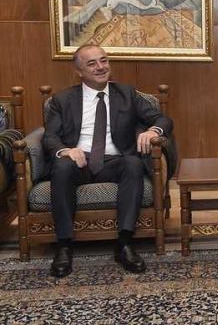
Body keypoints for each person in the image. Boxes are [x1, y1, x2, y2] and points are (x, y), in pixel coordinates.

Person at [43, 44, 173, 278]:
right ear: (79, 72)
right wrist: (65, 151)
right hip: (79, 162)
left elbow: (163, 119)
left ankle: (124, 243)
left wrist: (153, 131)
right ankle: (64, 245)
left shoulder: (127, 94)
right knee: (61, 166)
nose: (101, 67)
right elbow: (50, 136)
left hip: (115, 161)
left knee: (133, 163)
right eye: (92, 63)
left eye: (104, 60)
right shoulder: (62, 100)